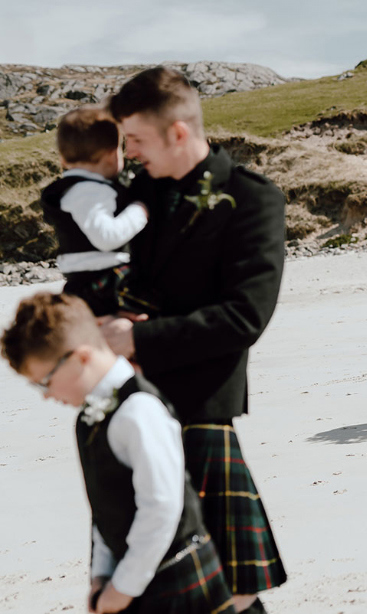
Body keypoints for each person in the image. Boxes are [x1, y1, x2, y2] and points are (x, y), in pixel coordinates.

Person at [101, 66, 287, 613]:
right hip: (131, 401)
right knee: (151, 580)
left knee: (228, 589)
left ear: (178, 133)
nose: (128, 153)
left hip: (202, 407)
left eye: (135, 139)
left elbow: (244, 316)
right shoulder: (139, 196)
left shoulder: (253, 200)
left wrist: (141, 340)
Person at [0, 292, 235, 614]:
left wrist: (123, 587)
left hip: (178, 579)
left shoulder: (139, 411)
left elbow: (161, 507)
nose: (46, 396)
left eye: (45, 382)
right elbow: (104, 506)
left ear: (80, 358)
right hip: (134, 579)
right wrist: (101, 576)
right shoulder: (88, 417)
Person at [40, 107, 149, 316]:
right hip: (106, 285)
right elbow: (107, 237)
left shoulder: (73, 189)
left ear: (63, 159)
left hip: (87, 284)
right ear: (111, 156)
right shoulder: (89, 191)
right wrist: (139, 211)